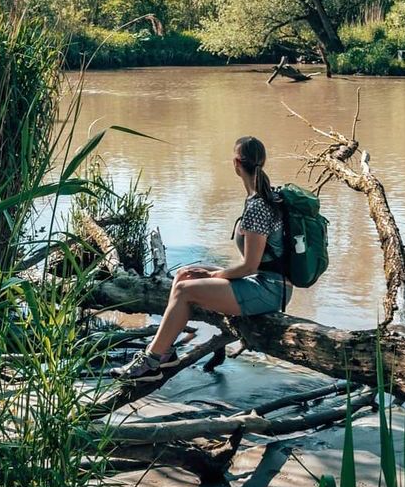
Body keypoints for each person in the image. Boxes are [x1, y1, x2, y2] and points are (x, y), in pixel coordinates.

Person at [110, 135, 292, 383]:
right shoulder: (262, 197)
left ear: (236, 163)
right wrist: (209, 274)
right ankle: (168, 350)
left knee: (185, 290)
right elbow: (254, 265)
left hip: (270, 290)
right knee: (185, 273)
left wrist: (214, 275)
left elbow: (249, 265)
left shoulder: (258, 206)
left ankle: (152, 361)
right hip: (264, 281)